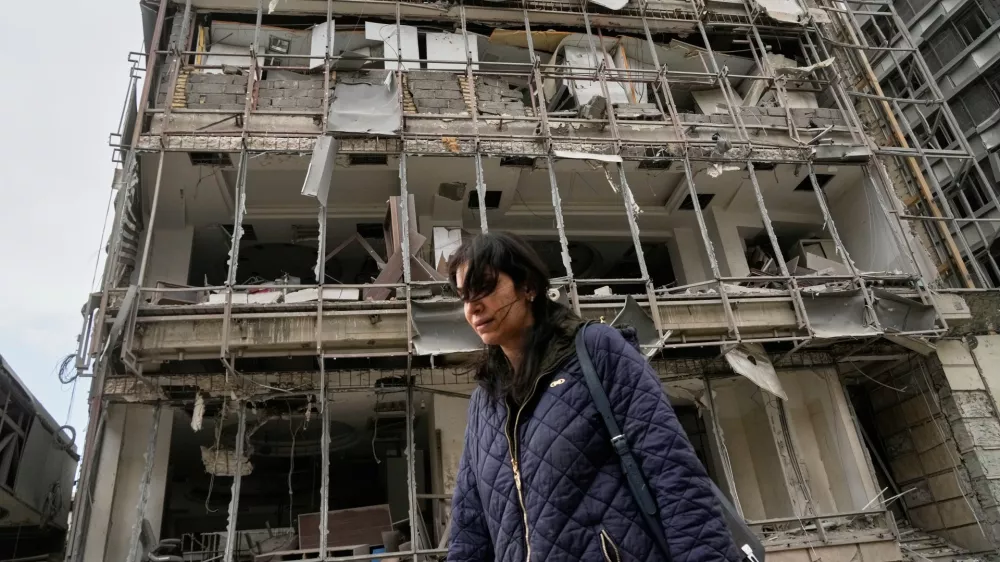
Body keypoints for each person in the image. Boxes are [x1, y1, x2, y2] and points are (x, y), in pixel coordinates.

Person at [445, 232, 740, 562]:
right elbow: (470, 529)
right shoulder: (483, 404)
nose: (473, 307)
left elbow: (674, 475)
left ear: (528, 287)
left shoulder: (597, 351)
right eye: (464, 295)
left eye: (484, 287)